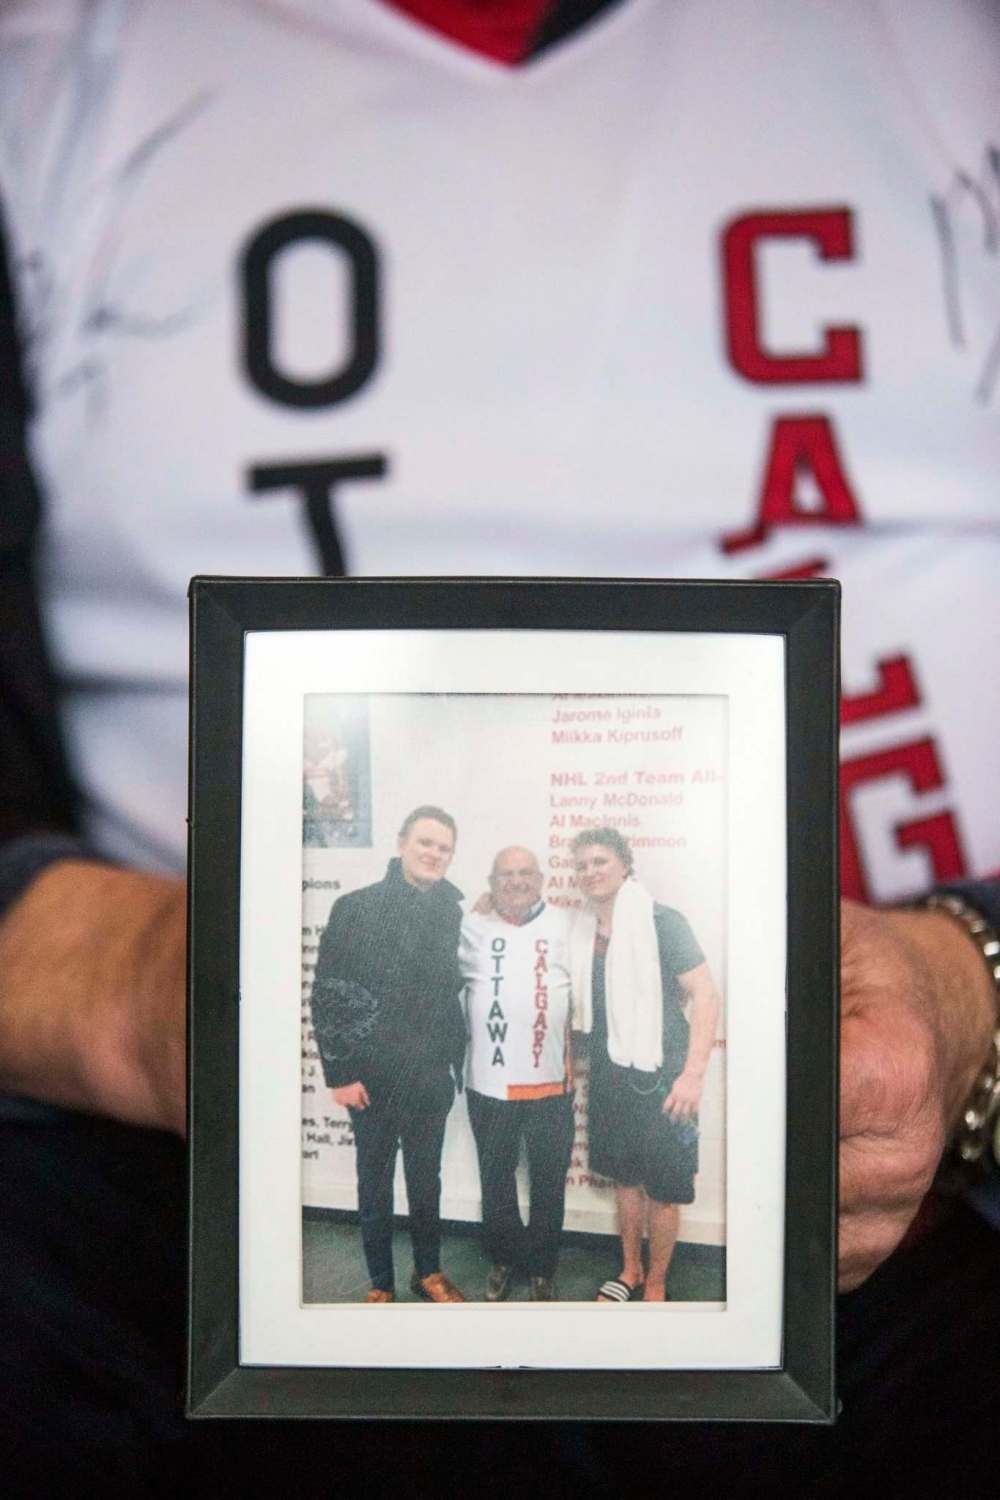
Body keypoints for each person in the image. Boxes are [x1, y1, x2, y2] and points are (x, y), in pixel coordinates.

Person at [0, 0, 998, 1491]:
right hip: (176, 1178)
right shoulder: (57, 70)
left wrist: (975, 989)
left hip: (927, 1168)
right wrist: (140, 991)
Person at [310, 805, 467, 1303]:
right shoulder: (355, 907)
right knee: (373, 1182)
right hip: (371, 1076)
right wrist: (340, 1073)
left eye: (443, 848)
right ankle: (380, 1284)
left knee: (427, 1181)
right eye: (425, 843)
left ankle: (429, 1272)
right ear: (401, 843)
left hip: (429, 1074)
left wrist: (449, 1062)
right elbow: (329, 991)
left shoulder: (453, 910)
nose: (434, 854)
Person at [567, 828, 720, 1303]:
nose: (591, 871)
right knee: (626, 1179)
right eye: (583, 864)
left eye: (601, 861)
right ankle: (630, 1271)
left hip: (665, 1075)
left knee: (665, 1186)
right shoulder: (581, 932)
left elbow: (706, 995)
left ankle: (656, 1282)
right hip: (613, 1074)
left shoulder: (661, 921)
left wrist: (693, 1074)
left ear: (625, 866)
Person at [460, 845, 575, 1301]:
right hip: (488, 1082)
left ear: (541, 879)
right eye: (505, 874)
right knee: (496, 1178)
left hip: (550, 1081)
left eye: (526, 872)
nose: (516, 881)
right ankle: (504, 1259)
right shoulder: (469, 926)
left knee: (549, 1179)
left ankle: (543, 1268)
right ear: (490, 882)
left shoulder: (568, 923)